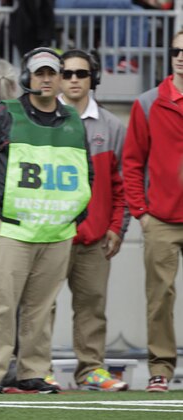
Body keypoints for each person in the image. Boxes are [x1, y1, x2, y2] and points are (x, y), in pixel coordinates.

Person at [0, 47, 93, 394]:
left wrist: (76, 215)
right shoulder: (4, 114)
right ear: (27, 78)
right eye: (40, 73)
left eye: (53, 73)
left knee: (42, 309)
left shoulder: (73, 120)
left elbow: (87, 174)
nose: (47, 79)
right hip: (10, 229)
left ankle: (32, 372)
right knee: (0, 304)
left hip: (56, 232)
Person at [53, 49, 129, 391]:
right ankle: (36, 369)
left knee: (92, 307)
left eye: (80, 74)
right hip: (49, 234)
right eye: (66, 73)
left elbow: (122, 181)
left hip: (96, 235)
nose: (72, 80)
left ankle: (92, 370)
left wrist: (117, 227)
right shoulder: (43, 120)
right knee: (40, 307)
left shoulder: (112, 126)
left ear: (92, 79)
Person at [122, 29, 183, 393]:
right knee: (159, 298)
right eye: (177, 50)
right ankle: (160, 369)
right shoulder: (147, 103)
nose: (181, 56)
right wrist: (141, 212)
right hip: (160, 219)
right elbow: (131, 162)